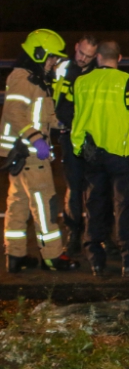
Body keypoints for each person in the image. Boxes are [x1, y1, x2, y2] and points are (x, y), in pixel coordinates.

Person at [64, 41, 129, 277]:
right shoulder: (125, 81)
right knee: (124, 207)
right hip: (122, 156)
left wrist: (81, 149)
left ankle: (96, 260)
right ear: (120, 57)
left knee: (95, 206)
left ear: (97, 58)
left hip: (92, 155)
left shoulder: (81, 83)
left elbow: (76, 117)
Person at [0, 29, 79, 272]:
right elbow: (14, 112)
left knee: (18, 205)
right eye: (52, 57)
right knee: (45, 205)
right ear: (39, 53)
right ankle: (53, 257)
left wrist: (62, 123)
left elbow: (41, 114)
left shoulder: (36, 80)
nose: (54, 62)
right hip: (30, 153)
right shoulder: (23, 79)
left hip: (23, 155)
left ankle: (15, 256)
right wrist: (37, 140)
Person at [53, 35, 99, 255]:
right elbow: (51, 98)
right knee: (73, 187)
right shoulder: (62, 68)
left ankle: (97, 235)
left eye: (89, 56)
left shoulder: (98, 71)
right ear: (76, 47)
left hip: (93, 139)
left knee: (95, 187)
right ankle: (74, 233)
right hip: (69, 137)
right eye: (81, 53)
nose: (83, 59)